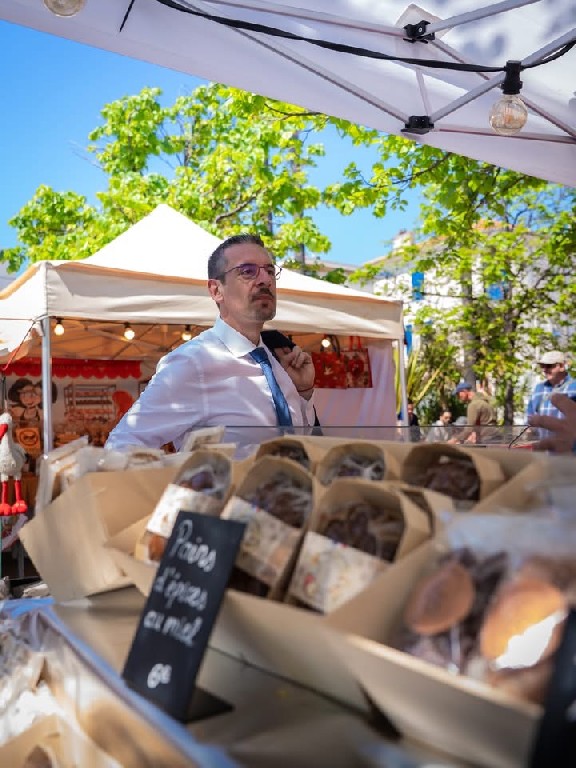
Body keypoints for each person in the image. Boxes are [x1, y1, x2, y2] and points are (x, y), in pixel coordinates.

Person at [106, 234, 317, 453]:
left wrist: (303, 392)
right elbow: (121, 445)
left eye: (270, 271)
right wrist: (177, 471)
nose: (265, 280)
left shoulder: (275, 360)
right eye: (247, 271)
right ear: (216, 290)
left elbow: (298, 443)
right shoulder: (193, 362)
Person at [526, 351, 576, 434]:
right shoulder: (538, 389)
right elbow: (529, 418)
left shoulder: (574, 388)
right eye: (542, 366)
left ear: (562, 366)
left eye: (549, 366)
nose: (544, 370)